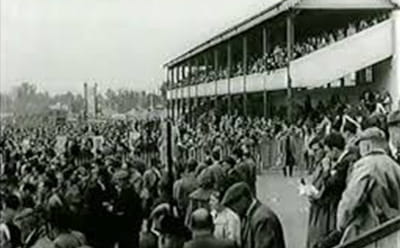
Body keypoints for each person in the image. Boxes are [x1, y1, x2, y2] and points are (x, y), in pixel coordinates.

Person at [337, 127, 400, 243]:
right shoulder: (394, 165)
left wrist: (341, 223)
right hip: (392, 230)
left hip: (368, 232)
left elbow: (351, 199)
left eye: (360, 145)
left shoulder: (365, 165)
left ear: (367, 146)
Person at [222, 182, 285, 248]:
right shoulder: (250, 216)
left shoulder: (263, 219)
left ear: (243, 200)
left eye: (234, 206)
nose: (234, 211)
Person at [112, 169, 143, 248]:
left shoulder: (127, 194)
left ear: (124, 181)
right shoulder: (131, 192)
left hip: (127, 229)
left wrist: (113, 209)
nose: (118, 184)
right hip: (132, 230)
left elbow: (123, 212)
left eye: (119, 181)